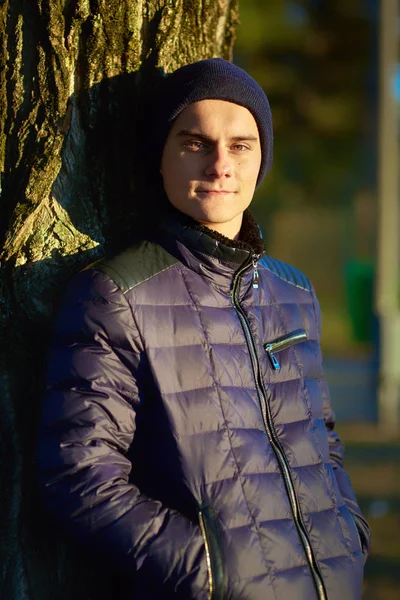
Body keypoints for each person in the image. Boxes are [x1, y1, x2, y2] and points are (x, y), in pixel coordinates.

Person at [37, 58, 371, 600]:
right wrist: (211, 572)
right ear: (161, 159)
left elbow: (321, 437)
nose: (221, 165)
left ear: (261, 159)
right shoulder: (116, 294)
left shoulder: (293, 290)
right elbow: (79, 475)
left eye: (241, 145)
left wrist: (349, 535)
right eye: (195, 142)